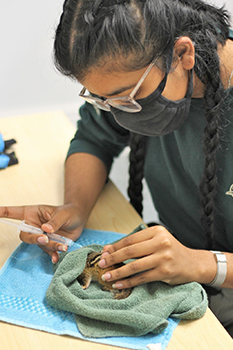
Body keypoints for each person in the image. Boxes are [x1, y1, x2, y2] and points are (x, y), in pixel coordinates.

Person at [1, 0, 233, 336]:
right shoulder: (136, 73)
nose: (117, 113)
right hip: (183, 275)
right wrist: (75, 207)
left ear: (183, 54)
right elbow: (94, 138)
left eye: (124, 99)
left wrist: (202, 263)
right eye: (101, 100)